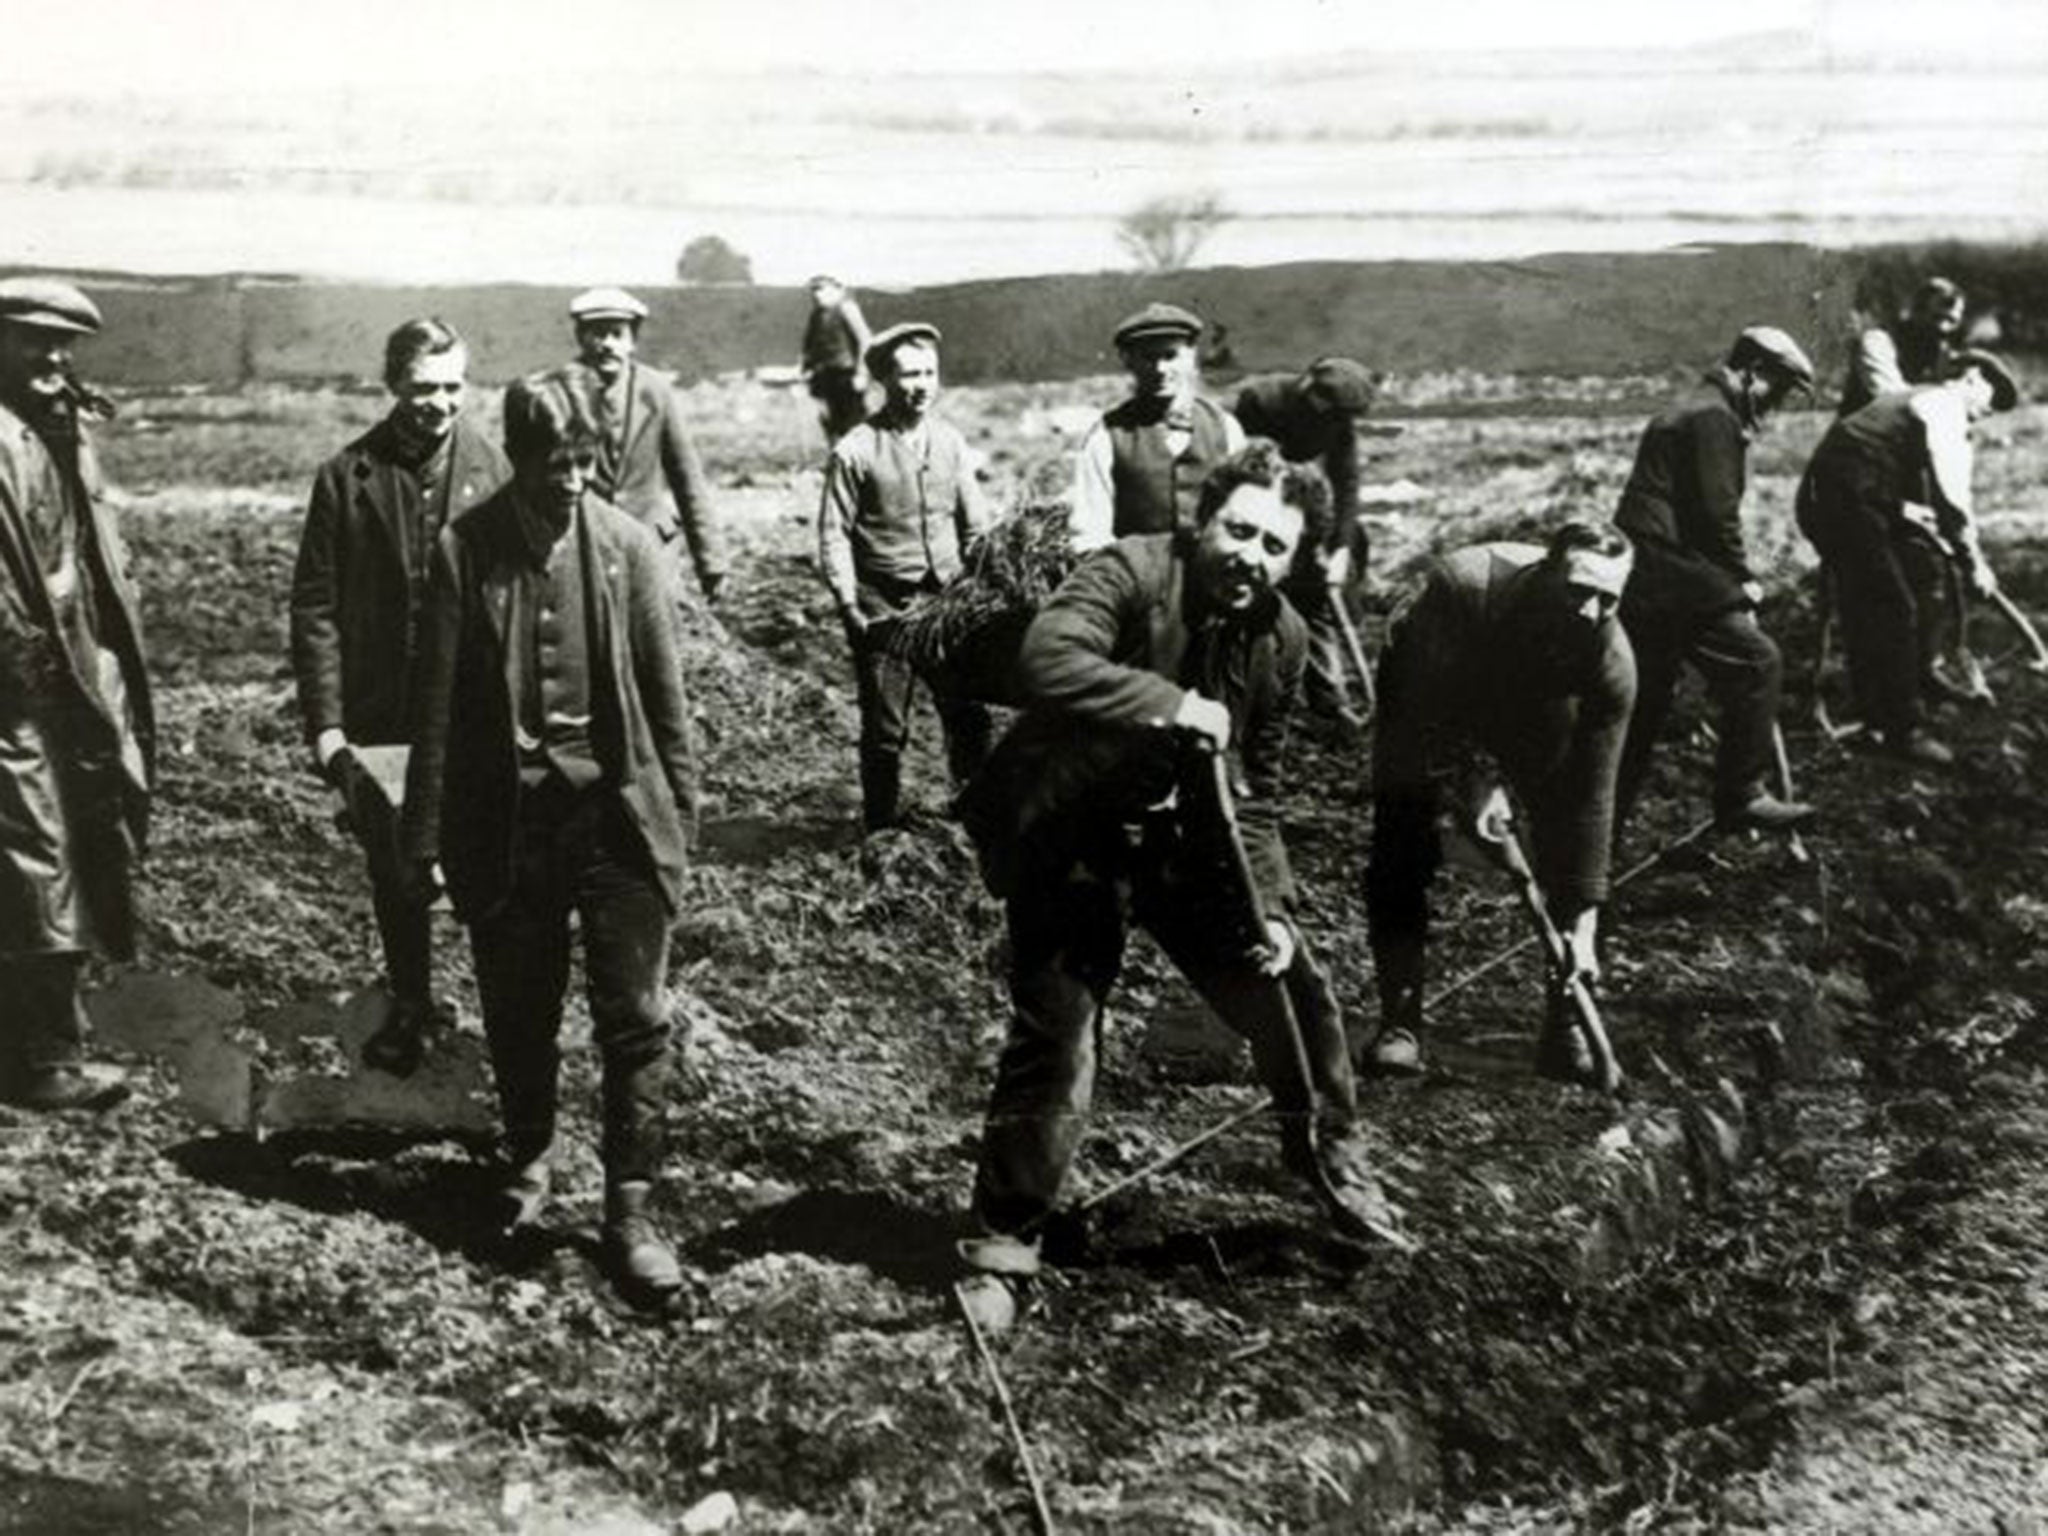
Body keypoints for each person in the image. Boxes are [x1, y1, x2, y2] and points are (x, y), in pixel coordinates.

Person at [955, 440, 1391, 1331]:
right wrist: (1170, 704)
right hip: (1066, 832)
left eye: (1277, 547)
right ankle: (1001, 1249)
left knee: (1295, 993)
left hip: (1181, 842)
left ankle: (1335, 1164)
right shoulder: (1130, 573)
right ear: (1205, 521)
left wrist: (1268, 907)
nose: (1252, 557)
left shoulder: (1284, 638)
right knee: (1061, 1035)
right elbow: (1046, 660)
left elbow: (1258, 794)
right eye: (1240, 532)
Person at [398, 372, 697, 1303]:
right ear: (519, 459)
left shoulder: (629, 546)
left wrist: (677, 828)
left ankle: (631, 1212)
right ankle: (529, 1165)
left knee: (636, 1019)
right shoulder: (465, 549)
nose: (572, 481)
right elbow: (436, 704)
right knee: (520, 1007)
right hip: (510, 824)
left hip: (614, 819)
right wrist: (426, 837)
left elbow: (665, 701)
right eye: (552, 465)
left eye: (583, 462)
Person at [290, 318, 510, 1074]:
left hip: (475, 714)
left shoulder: (499, 470)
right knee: (397, 873)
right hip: (382, 720)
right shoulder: (345, 477)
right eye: (422, 388)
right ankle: (412, 1006)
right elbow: (315, 607)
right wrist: (328, 728)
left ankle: (499, 1022)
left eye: (452, 387)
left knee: (483, 866)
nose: (438, 404)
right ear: (393, 386)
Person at [1364, 521, 1637, 1082]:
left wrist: (1584, 926)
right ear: (1545, 576)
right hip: (1427, 683)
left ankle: (1565, 1025)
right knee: (1403, 832)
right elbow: (1424, 710)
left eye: (1608, 599)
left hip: (1532, 700)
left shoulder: (1611, 663)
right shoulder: (1463, 587)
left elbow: (1594, 799)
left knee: (1567, 836)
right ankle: (1400, 1022)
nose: (1591, 611)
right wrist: (1476, 778)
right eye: (1579, 590)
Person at [0, 277, 152, 1112]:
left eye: (64, 345)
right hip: (18, 688)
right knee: (36, 853)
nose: (54, 358)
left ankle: (52, 1035)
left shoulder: (46, 430)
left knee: (60, 846)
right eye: (32, 342)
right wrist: (38, 688)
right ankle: (46, 1060)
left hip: (62, 676)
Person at [1612, 327, 1818, 834]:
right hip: (1668, 567)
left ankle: (1593, 840)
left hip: (1647, 566)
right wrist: (1741, 583)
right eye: (1780, 389)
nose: (1780, 404)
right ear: (1752, 373)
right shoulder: (1713, 417)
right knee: (1758, 662)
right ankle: (1740, 796)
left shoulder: (1700, 404)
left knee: (1644, 706)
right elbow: (1715, 515)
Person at [1796, 352, 2021, 766]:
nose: (1986, 413)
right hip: (1844, 503)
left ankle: (1891, 703)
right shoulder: (1943, 405)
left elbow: (1870, 464)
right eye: (1990, 397)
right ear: (1970, 377)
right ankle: (1904, 729)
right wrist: (1976, 562)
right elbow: (1953, 495)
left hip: (1848, 497)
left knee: (1891, 593)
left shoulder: (1912, 401)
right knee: (1891, 607)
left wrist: (1908, 513)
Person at [817, 321, 994, 832]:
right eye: (908, 374)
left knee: (967, 713)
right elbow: (833, 534)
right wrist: (851, 606)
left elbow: (975, 524)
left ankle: (975, 814)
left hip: (946, 601)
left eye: (929, 373)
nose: (921, 385)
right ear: (884, 381)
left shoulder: (950, 442)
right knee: (886, 728)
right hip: (883, 606)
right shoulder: (855, 449)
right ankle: (881, 829)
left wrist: (981, 584)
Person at [506, 286, 728, 604]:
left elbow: (686, 475)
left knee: (655, 634)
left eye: (617, 334)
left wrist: (711, 560)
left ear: (632, 341)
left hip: (652, 542)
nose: (607, 344)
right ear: (581, 337)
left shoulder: (655, 391)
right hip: (583, 540)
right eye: (597, 334)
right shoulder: (561, 392)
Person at [1233, 357, 1380, 730]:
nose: (1334, 421)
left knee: (1318, 599)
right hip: (1251, 507)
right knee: (1247, 609)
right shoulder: (1259, 401)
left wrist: (1340, 550)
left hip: (1301, 507)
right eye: (1329, 411)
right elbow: (1238, 469)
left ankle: (1330, 702)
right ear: (1310, 389)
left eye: (1340, 416)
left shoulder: (1336, 418)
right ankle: (1245, 702)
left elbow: (1346, 483)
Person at [1069, 302, 1245, 551]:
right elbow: (1090, 533)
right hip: (1139, 580)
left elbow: (1246, 513)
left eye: (1170, 356)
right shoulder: (1108, 436)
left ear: (1191, 356)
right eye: (1148, 358)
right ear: (1129, 361)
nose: (1161, 369)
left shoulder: (1225, 428)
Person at [1839, 275, 1966, 417]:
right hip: (1864, 433)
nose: (1943, 327)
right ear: (1916, 312)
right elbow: (1890, 398)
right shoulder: (1878, 341)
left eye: (1951, 321)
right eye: (1936, 317)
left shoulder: (1942, 352)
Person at [800, 274, 872, 445]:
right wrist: (806, 368)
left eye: (822, 289)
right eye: (814, 290)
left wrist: (862, 373)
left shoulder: (847, 308)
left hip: (847, 374)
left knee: (854, 421)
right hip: (825, 375)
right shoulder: (817, 314)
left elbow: (865, 340)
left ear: (837, 289)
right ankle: (839, 461)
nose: (817, 294)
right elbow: (810, 345)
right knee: (831, 421)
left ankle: (862, 463)